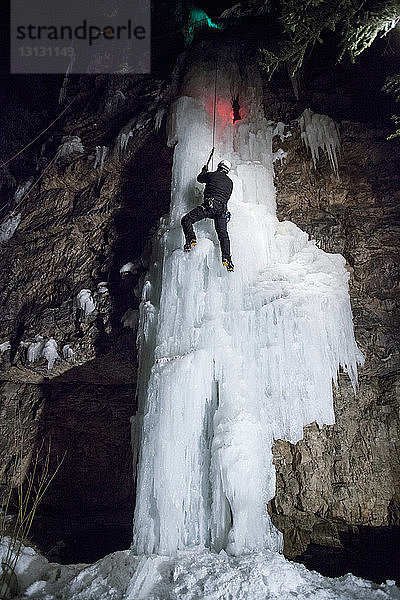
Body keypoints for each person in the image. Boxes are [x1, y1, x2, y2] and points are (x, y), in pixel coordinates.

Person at [181, 159, 234, 271]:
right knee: (223, 235)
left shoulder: (212, 175)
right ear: (227, 170)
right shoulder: (230, 183)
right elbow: (226, 197)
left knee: (186, 220)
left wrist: (204, 170)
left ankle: (191, 239)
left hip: (210, 205)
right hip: (222, 211)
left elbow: (200, 178)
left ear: (219, 166)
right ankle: (227, 258)